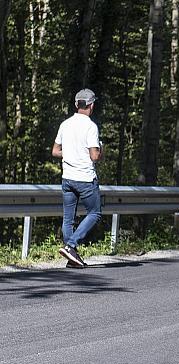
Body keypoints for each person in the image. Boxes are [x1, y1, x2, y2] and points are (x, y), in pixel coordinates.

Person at [52, 88, 103, 268]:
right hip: (85, 179)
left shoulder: (65, 124)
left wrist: (72, 154)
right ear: (91, 105)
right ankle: (71, 245)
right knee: (95, 213)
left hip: (67, 178)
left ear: (76, 104)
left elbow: (55, 151)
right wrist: (100, 150)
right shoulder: (91, 126)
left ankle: (71, 258)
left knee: (68, 219)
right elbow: (94, 156)